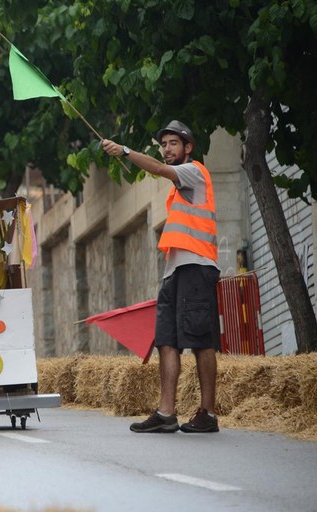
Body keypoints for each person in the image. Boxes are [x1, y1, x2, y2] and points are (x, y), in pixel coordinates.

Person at [102, 120, 221, 434]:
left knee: (200, 341)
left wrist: (124, 151)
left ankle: (207, 414)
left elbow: (156, 168)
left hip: (198, 268)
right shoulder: (179, 190)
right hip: (175, 271)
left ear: (188, 147)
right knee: (167, 341)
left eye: (173, 144)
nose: (167, 150)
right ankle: (166, 413)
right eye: (164, 144)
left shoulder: (194, 172)